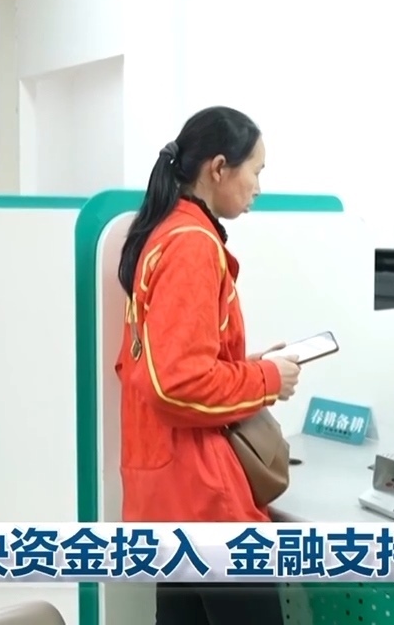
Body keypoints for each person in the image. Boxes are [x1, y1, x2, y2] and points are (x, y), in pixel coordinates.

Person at [115, 106, 300, 625]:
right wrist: (267, 378)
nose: (258, 187)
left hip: (165, 493)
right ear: (219, 168)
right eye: (256, 171)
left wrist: (242, 366)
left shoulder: (163, 234)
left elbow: (163, 365)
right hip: (201, 496)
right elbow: (178, 384)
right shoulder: (193, 245)